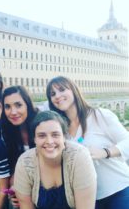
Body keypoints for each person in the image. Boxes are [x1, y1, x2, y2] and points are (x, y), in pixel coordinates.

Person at [46, 76, 129, 209]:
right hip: (88, 198)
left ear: (74, 90)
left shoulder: (99, 115)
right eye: (52, 94)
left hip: (118, 190)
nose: (57, 96)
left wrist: (105, 152)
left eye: (62, 90)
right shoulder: (60, 129)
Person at [14, 110, 97, 209]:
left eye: (55, 134)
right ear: (34, 139)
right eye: (42, 135)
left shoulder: (79, 157)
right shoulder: (24, 163)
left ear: (64, 137)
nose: (49, 141)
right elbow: (26, 206)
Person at [2, 86, 38, 208]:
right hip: (24, 189)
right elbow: (14, 166)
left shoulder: (41, 126)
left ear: (27, 104)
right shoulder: (7, 131)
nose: (13, 112)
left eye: (18, 105)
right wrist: (13, 188)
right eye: (7, 107)